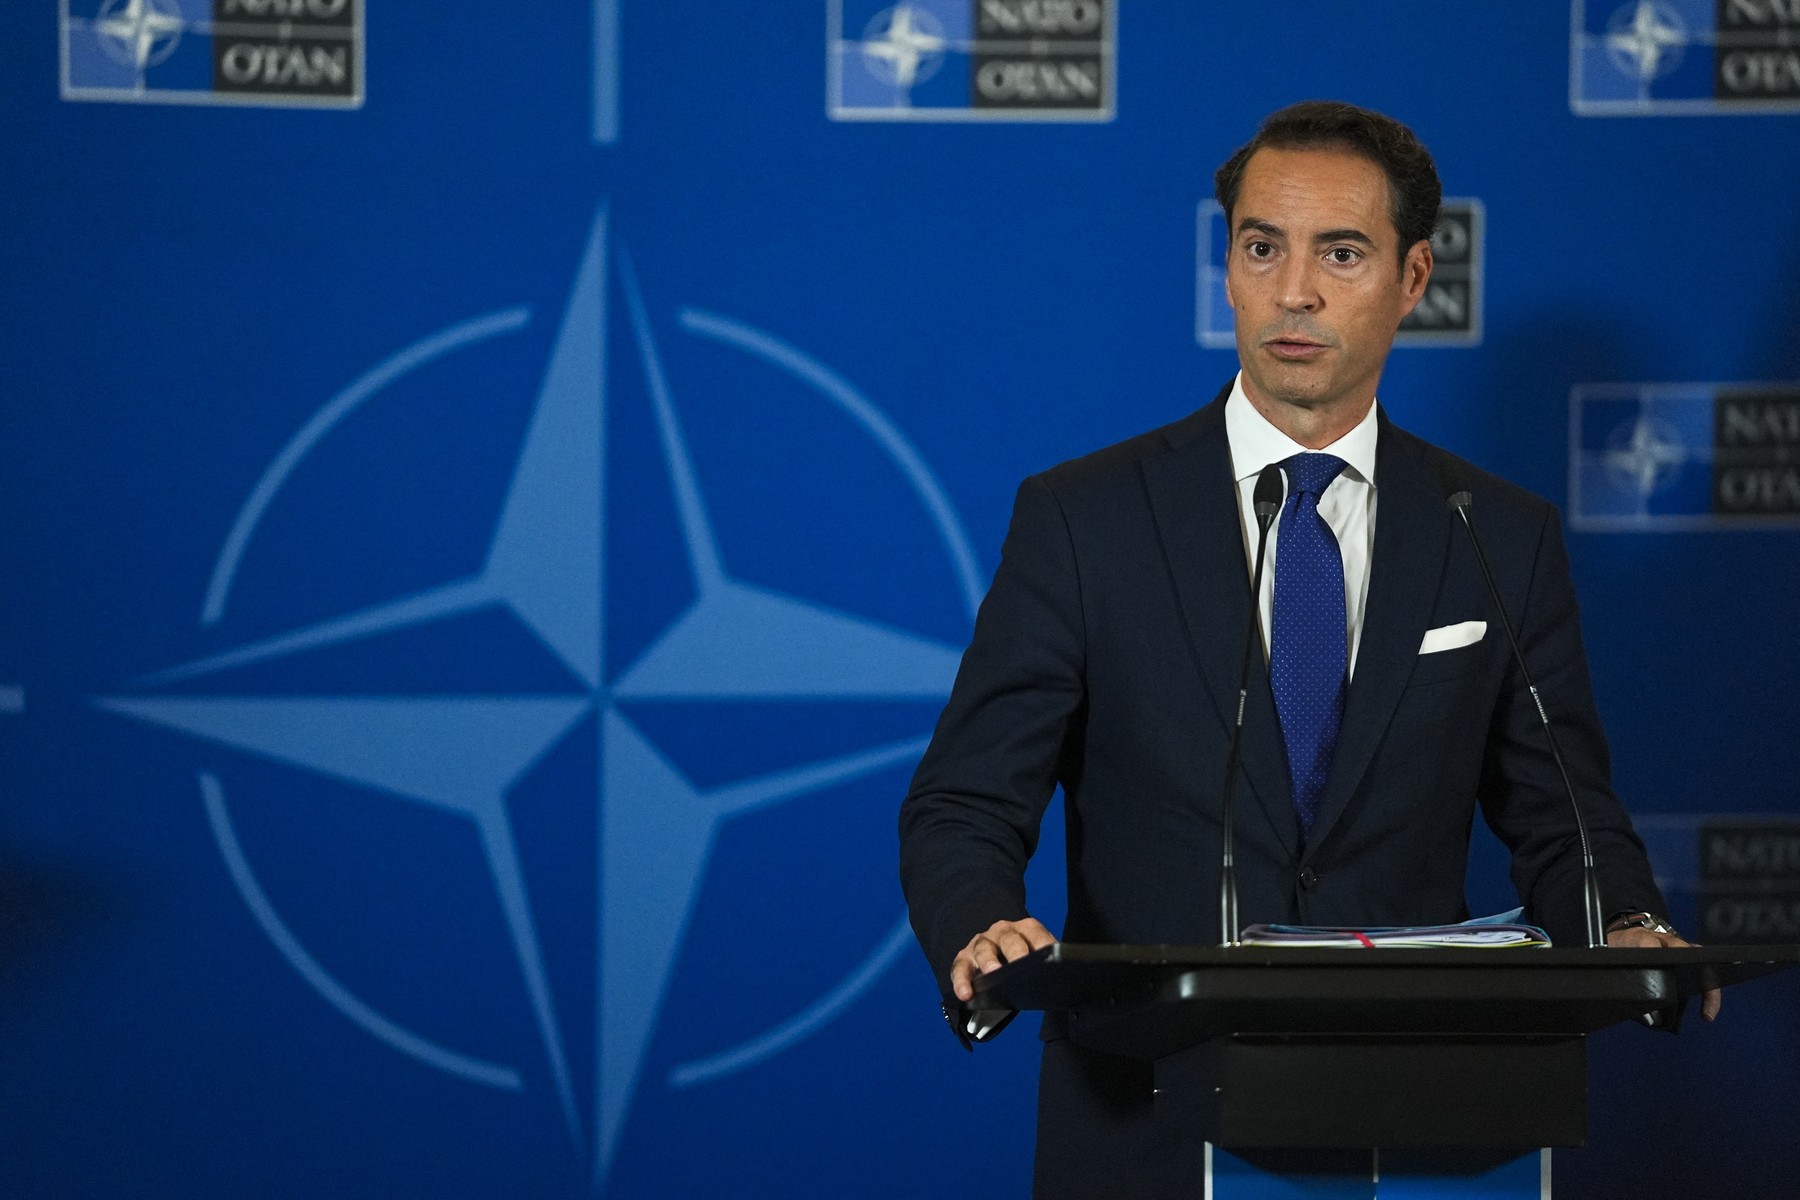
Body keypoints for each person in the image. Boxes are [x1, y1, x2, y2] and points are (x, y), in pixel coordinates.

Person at [897, 100, 1714, 1199]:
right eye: (1261, 246)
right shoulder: (1087, 519)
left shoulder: (1494, 533)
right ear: (1228, 269)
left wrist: (1626, 923)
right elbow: (964, 801)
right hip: (1145, 1117)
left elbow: (1564, 815)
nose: (1295, 291)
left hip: (1420, 1124)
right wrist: (979, 922)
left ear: (1414, 277)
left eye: (1341, 252)